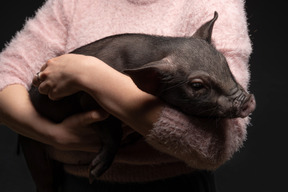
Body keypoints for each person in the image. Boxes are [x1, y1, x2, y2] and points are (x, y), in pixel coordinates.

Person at [0, 0, 252, 191]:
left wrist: (90, 74)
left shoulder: (211, 3)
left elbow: (218, 145)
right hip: (75, 182)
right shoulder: (71, 4)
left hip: (179, 184)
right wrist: (53, 135)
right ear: (150, 78)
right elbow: (4, 76)